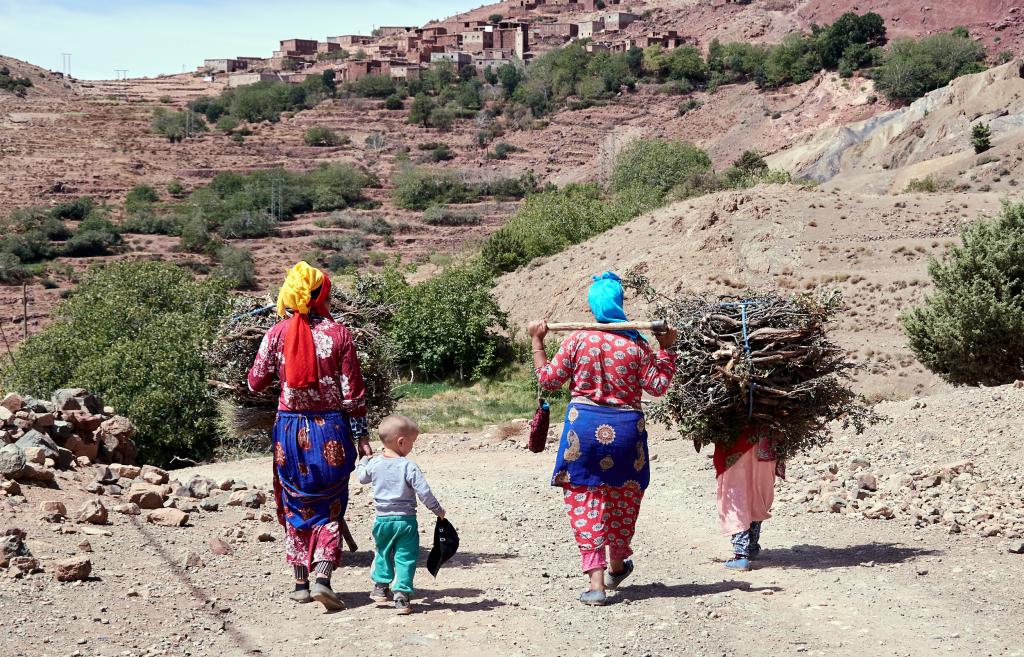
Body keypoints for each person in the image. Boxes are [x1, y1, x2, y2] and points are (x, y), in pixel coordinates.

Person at [527, 271, 678, 606]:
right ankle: (618, 562)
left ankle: (597, 585)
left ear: (593, 306)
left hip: (583, 431)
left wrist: (537, 342)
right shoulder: (636, 344)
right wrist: (667, 350)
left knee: (587, 499)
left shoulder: (578, 340)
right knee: (623, 495)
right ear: (621, 303)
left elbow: (549, 380)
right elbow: (658, 387)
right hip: (627, 433)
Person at [248, 261, 372, 611]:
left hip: (289, 430)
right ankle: (322, 578)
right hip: (330, 431)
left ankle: (300, 584)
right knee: (328, 505)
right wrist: (361, 436)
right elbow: (353, 394)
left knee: (295, 501)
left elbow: (254, 382)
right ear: (322, 296)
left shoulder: (276, 334)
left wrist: (284, 372)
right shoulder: (339, 334)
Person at [356, 414, 445, 615]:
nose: (412, 447)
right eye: (411, 443)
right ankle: (402, 596)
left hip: (382, 520)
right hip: (405, 522)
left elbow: (362, 478)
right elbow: (424, 492)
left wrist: (363, 460)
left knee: (383, 551)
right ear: (401, 442)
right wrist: (437, 510)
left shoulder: (375, 464)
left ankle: (380, 587)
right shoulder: (408, 466)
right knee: (406, 556)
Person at [714, 425, 785, 571]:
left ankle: (741, 555)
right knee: (759, 494)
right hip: (766, 441)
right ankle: (751, 546)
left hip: (735, 442)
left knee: (735, 496)